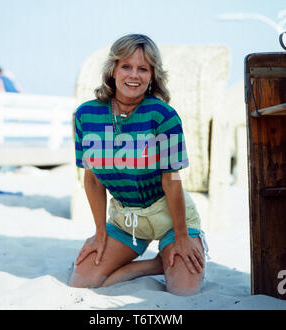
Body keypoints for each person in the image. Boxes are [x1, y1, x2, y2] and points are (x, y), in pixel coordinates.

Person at [70, 34, 209, 296]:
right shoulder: (86, 115)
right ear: (112, 69)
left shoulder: (162, 115)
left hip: (171, 217)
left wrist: (182, 237)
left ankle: (173, 253)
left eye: (143, 69)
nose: (134, 75)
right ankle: (154, 264)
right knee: (81, 282)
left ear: (153, 75)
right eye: (126, 66)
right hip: (126, 219)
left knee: (183, 291)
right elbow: (92, 179)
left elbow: (172, 179)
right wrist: (100, 233)